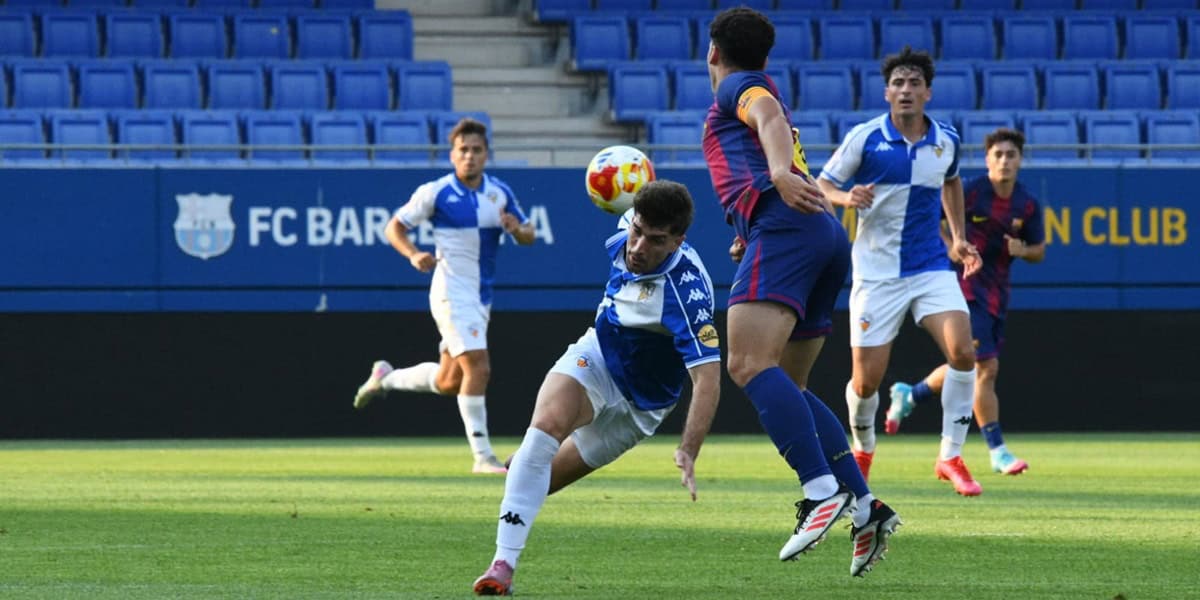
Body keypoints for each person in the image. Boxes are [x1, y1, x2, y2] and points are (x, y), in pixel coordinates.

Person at [701, 6, 899, 577]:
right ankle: (864, 506)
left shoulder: (739, 86)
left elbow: (763, 116)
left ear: (714, 52)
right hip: (816, 236)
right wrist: (752, 228)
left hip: (788, 229)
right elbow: (761, 141)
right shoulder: (756, 84)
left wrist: (783, 174)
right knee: (787, 382)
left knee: (743, 361)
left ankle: (819, 491)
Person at [471, 180, 722, 596]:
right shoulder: (629, 222)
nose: (639, 246)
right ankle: (502, 566)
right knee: (542, 433)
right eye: (637, 231)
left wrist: (688, 449)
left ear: (679, 240)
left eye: (656, 240)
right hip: (599, 355)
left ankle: (533, 467)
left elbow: (708, 379)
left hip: (641, 405)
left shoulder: (688, 295)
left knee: (539, 480)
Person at [817, 46, 986, 496]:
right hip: (876, 274)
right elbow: (821, 184)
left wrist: (958, 236)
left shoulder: (945, 139)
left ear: (928, 92)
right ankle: (863, 449)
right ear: (887, 92)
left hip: (930, 265)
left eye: (914, 83)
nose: (906, 90)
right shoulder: (865, 138)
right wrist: (846, 197)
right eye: (898, 83)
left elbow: (951, 181)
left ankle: (950, 455)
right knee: (866, 381)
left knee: (964, 352)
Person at [353, 117, 536, 475]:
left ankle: (385, 378)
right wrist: (412, 254)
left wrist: (518, 229)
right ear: (452, 155)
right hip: (451, 291)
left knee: (450, 381)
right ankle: (483, 457)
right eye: (463, 150)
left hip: (481, 297)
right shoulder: (436, 192)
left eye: (476, 150)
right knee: (479, 367)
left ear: (486, 155)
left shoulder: (499, 193)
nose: (469, 156)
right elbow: (394, 226)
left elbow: (528, 234)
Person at [886, 128, 1045, 476]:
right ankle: (997, 450)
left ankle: (911, 394)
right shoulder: (970, 192)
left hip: (997, 292)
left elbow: (1039, 250)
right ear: (987, 159)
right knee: (985, 369)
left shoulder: (1027, 203)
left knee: (969, 366)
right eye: (998, 154)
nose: (1004, 160)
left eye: (1011, 155)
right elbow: (931, 219)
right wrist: (952, 244)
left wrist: (1024, 250)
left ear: (1020, 160)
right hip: (963, 286)